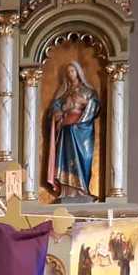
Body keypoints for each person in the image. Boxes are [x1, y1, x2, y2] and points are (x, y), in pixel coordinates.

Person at [45, 61, 100, 198]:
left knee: (85, 158)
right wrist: (58, 112)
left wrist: (85, 103)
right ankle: (67, 192)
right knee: (65, 159)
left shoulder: (88, 91)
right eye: (68, 72)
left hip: (83, 130)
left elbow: (95, 106)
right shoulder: (65, 93)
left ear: (78, 72)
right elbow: (54, 108)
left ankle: (82, 190)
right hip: (66, 131)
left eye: (73, 71)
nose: (70, 74)